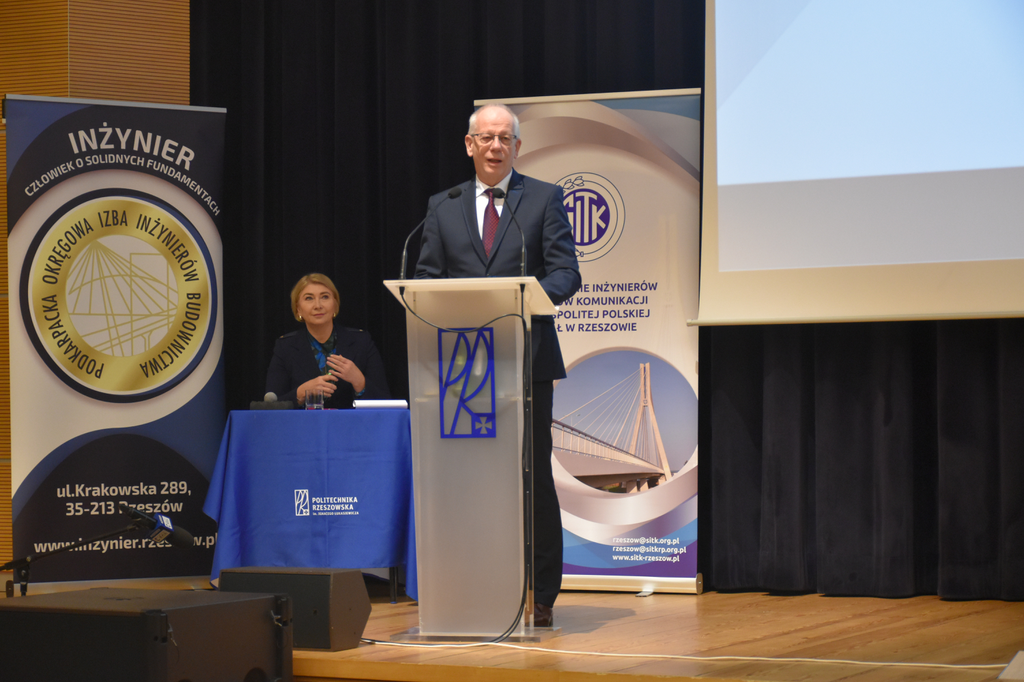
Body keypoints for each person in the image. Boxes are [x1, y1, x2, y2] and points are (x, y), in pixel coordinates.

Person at [415, 103, 581, 627]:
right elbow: (426, 279)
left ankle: (541, 593)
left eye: (504, 138)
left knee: (532, 477)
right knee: (467, 479)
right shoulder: (442, 207)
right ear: (469, 145)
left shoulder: (544, 199)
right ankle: (470, 583)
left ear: (517, 147)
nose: (495, 146)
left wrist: (524, 298)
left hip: (527, 360)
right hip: (462, 369)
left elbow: (566, 273)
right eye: (486, 137)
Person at [265, 273, 390, 409]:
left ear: (335, 305)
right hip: (305, 422)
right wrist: (300, 393)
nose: (318, 305)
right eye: (309, 298)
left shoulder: (361, 342)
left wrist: (360, 382)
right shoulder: (285, 347)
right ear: (298, 309)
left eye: (325, 297)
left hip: (351, 422)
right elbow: (271, 405)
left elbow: (386, 403)